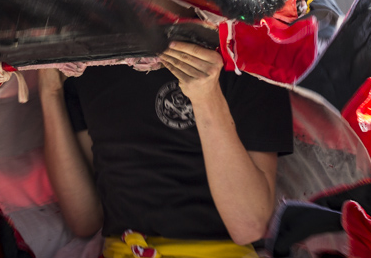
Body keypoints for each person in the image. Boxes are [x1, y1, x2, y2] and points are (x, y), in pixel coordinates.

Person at [39, 41, 293, 258]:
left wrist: (206, 97)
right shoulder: (86, 62)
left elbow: (250, 226)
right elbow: (86, 220)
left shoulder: (244, 53)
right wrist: (50, 93)